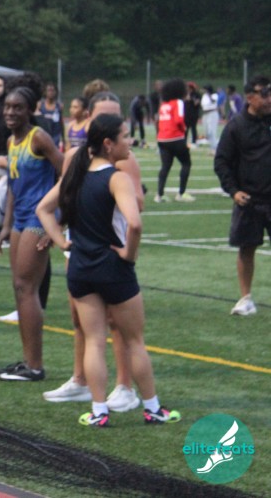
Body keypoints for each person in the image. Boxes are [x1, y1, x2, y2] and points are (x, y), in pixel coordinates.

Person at [36, 114, 181, 427]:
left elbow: (43, 209)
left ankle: (99, 411)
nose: (129, 142)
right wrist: (129, 255)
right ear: (108, 143)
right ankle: (153, 409)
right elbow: (135, 223)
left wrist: (62, 243)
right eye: (125, 136)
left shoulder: (75, 175)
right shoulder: (117, 178)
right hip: (113, 267)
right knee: (134, 341)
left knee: (94, 341)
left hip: (80, 267)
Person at [41, 91, 145, 413]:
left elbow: (137, 206)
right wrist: (58, 234)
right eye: (103, 115)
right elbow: (64, 200)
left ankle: (124, 386)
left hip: (107, 246)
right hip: (80, 247)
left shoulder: (124, 162)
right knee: (81, 321)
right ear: (90, 119)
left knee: (117, 324)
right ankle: (81, 381)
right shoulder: (75, 157)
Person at [0, 80, 63, 382]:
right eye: (7, 107)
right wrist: (6, 225)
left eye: (17, 108)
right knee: (19, 288)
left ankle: (35, 366)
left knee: (27, 288)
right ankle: (27, 361)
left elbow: (67, 174)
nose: (10, 112)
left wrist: (58, 222)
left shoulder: (39, 138)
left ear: (29, 111)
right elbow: (13, 185)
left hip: (38, 219)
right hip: (20, 220)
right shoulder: (12, 141)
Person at [214, 75, 271, 316]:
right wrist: (233, 191)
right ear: (250, 97)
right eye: (264, 94)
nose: (269, 99)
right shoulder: (236, 126)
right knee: (246, 248)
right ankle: (245, 298)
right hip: (250, 199)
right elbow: (222, 162)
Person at [155, 78, 193, 203]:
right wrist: (184, 129)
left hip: (162, 139)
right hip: (175, 137)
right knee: (186, 163)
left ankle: (159, 195)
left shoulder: (164, 104)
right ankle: (181, 193)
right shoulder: (178, 102)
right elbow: (178, 120)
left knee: (165, 166)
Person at [37, 82, 64, 149]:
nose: (51, 92)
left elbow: (61, 122)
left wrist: (63, 140)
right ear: (45, 92)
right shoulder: (40, 105)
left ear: (56, 92)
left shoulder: (59, 106)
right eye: (49, 90)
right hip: (43, 135)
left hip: (55, 137)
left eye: (52, 90)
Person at [201, 85, 220, 153]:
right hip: (206, 114)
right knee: (207, 132)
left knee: (212, 131)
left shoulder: (214, 95)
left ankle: (214, 148)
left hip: (212, 113)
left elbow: (213, 101)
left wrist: (208, 94)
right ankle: (213, 146)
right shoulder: (204, 96)